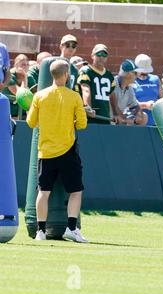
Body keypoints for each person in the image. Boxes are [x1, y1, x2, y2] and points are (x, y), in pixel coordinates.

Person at [26, 60, 88, 242]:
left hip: (45, 151)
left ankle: (40, 231)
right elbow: (82, 125)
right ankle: (71, 228)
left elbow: (30, 122)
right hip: (67, 150)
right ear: (67, 75)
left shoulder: (39, 96)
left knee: (43, 192)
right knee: (76, 191)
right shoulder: (74, 96)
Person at [77, 44, 120, 124]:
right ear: (92, 56)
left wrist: (115, 113)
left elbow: (112, 95)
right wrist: (88, 107)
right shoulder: (86, 70)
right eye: (98, 54)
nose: (101, 57)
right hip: (90, 116)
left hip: (105, 116)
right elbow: (85, 90)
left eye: (104, 55)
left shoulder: (109, 75)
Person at [113, 59, 148, 126]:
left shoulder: (129, 87)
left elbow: (135, 106)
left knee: (144, 116)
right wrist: (125, 119)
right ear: (128, 74)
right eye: (135, 73)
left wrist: (138, 114)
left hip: (120, 120)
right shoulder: (113, 83)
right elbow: (113, 107)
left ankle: (136, 136)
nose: (137, 76)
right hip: (110, 118)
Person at [132, 54, 163, 126]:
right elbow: (129, 104)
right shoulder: (131, 81)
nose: (144, 73)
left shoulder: (155, 79)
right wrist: (145, 105)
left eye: (146, 72)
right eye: (142, 72)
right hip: (139, 123)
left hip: (156, 123)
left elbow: (162, 99)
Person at [2, 54, 30, 119]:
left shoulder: (29, 77)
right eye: (23, 64)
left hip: (23, 115)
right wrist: (25, 78)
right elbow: (21, 94)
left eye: (27, 64)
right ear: (16, 65)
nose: (25, 67)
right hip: (9, 115)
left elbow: (35, 92)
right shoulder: (9, 76)